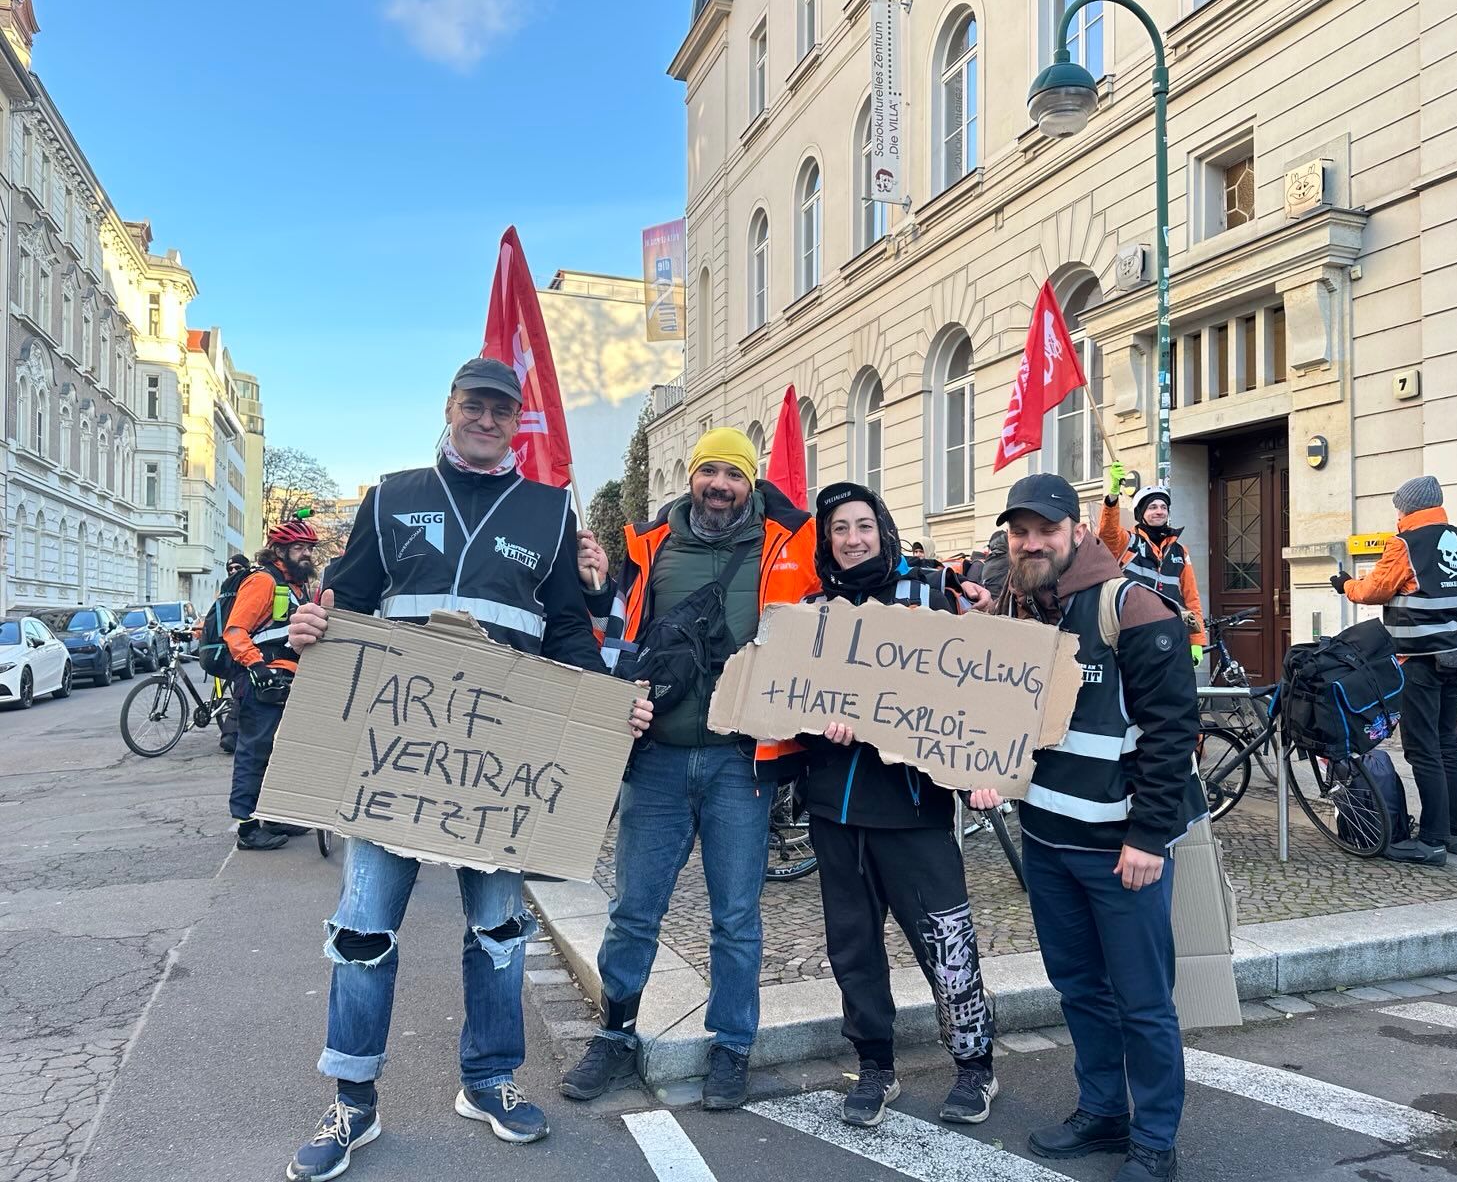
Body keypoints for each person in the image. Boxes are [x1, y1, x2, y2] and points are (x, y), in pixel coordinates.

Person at [279, 357, 654, 1182]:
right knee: (362, 931)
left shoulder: (549, 510)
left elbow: (563, 632)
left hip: (496, 772)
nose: (487, 419)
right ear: (450, 406)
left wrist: (606, 698)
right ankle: (353, 1102)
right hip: (395, 761)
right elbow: (345, 601)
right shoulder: (390, 496)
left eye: (501, 409)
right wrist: (313, 627)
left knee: (498, 936)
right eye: (474, 404)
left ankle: (488, 1081)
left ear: (516, 420)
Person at [560, 427, 818, 1113]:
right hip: (659, 761)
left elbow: (839, 619)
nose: (720, 486)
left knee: (736, 917)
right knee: (635, 909)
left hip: (744, 764)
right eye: (710, 473)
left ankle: (731, 1045)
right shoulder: (651, 548)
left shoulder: (788, 545)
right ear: (693, 480)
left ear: (750, 483)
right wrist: (593, 598)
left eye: (734, 475)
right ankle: (616, 1036)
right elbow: (613, 638)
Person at [974, 473, 1204, 1182]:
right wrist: (991, 770)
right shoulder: (1020, 612)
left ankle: (1155, 1141)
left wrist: (1149, 837)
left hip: (1119, 850)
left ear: (1076, 531)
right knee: (1079, 988)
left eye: (1045, 528)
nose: (1031, 541)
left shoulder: (1132, 607)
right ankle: (1104, 1110)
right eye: (1020, 532)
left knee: (1142, 1000)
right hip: (1047, 843)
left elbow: (1173, 734)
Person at [799, 482, 997, 1128]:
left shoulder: (934, 595)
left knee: (946, 941)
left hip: (913, 809)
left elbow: (975, 685)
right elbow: (785, 700)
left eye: (863, 525)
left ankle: (975, 1065)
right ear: (826, 541)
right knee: (853, 948)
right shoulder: (810, 610)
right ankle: (876, 1067)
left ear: (883, 529)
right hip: (836, 811)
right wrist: (815, 720)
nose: (852, 539)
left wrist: (979, 769)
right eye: (839, 530)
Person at [1333, 475, 1457, 865]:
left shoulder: (1404, 544)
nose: (1396, 513)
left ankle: (1431, 841)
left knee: (1423, 749)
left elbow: (1374, 591)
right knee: (1448, 742)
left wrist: (1347, 584)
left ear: (1409, 508)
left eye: (1398, 506)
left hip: (1420, 659)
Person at [223, 525, 318, 850]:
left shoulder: (296, 587)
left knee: (278, 753)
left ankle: (273, 815)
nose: (306, 553)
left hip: (288, 681)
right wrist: (257, 666)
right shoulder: (262, 581)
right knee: (253, 750)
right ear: (278, 551)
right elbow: (235, 631)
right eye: (298, 548)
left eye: (309, 548)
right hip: (260, 681)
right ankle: (247, 827)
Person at [1098, 462, 1205, 668]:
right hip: (1133, 633)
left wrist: (1197, 641)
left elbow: (1192, 598)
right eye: (1153, 507)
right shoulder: (1127, 542)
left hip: (1171, 634)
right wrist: (1113, 495)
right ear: (1141, 513)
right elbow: (1107, 533)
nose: (1159, 511)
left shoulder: (1180, 551)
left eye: (1164, 507)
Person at [213, 553, 252, 754]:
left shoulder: (249, 587)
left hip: (243, 646)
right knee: (240, 688)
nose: (234, 572)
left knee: (240, 690)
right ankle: (231, 734)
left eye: (238, 568)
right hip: (227, 645)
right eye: (230, 569)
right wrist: (197, 631)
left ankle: (230, 735)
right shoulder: (226, 590)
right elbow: (216, 614)